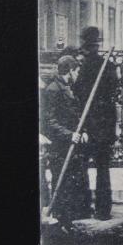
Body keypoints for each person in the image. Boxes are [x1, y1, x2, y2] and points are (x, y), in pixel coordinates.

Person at [41, 55, 91, 231]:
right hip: (60, 147)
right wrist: (70, 135)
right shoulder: (53, 90)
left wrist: (82, 131)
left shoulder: (67, 88)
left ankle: (67, 222)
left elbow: (75, 116)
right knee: (61, 184)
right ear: (69, 70)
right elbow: (50, 122)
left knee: (70, 184)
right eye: (76, 70)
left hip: (71, 145)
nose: (77, 74)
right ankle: (61, 222)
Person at [73, 27, 117, 221]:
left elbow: (78, 93)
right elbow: (114, 88)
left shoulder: (83, 66)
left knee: (81, 166)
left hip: (88, 122)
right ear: (97, 44)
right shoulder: (108, 65)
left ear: (85, 44)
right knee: (103, 167)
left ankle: (84, 207)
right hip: (106, 123)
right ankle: (103, 210)